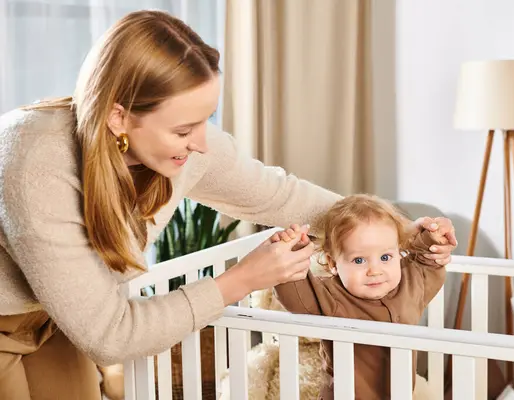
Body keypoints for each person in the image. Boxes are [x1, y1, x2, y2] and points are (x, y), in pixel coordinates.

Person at [0, 10, 457, 399]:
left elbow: (281, 196)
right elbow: (109, 334)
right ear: (119, 116)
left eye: (206, 120)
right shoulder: (35, 161)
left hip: (56, 316)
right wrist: (241, 279)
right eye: (183, 130)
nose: (201, 144)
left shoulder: (190, 147)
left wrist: (399, 232)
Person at [272, 194, 449, 400]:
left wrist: (432, 238)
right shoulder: (331, 295)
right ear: (332, 263)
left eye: (385, 257)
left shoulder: (411, 284)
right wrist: (292, 254)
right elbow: (296, 295)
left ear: (399, 252)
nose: (375, 270)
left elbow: (429, 263)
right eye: (358, 260)